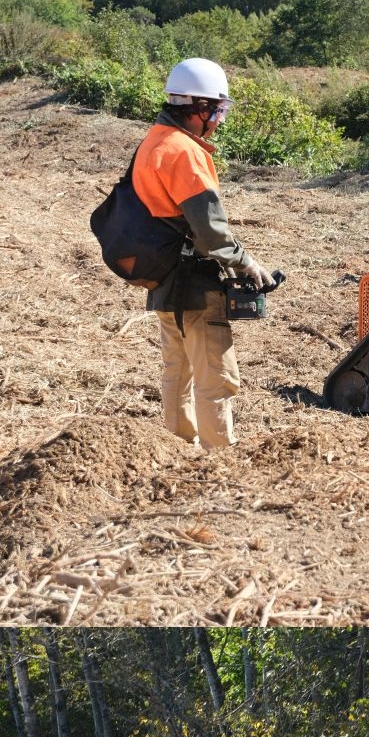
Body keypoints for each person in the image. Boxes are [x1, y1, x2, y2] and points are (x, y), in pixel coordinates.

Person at [131, 57, 273, 448]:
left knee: (176, 370)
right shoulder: (187, 153)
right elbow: (211, 234)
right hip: (195, 282)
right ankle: (219, 460)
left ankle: (178, 449)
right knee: (216, 375)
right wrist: (247, 263)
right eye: (219, 109)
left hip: (163, 278)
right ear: (200, 108)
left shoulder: (154, 140)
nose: (220, 119)